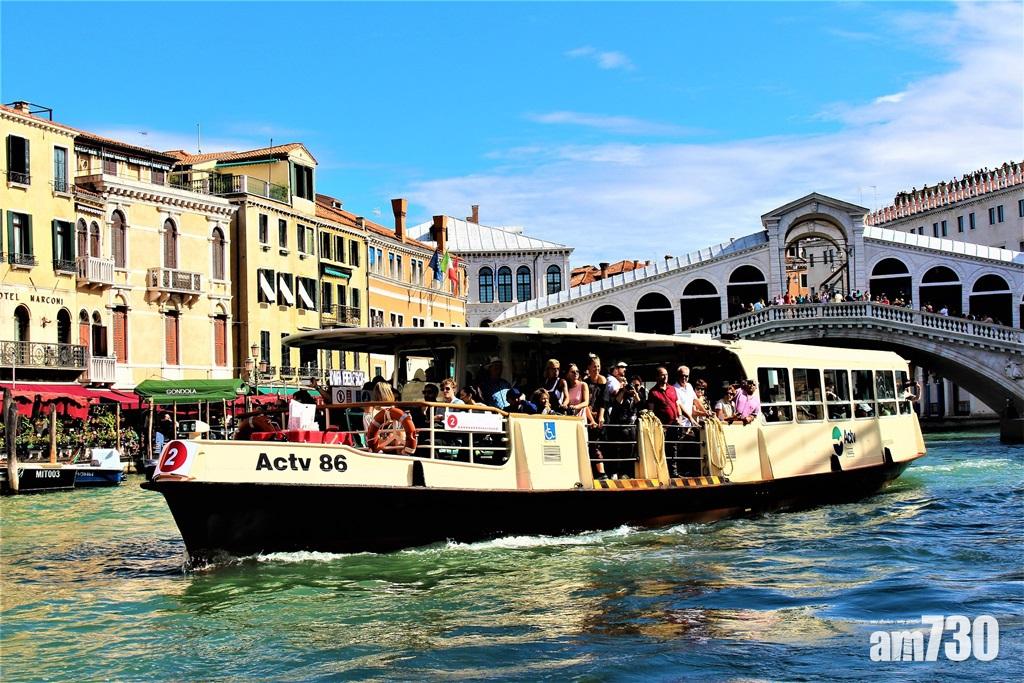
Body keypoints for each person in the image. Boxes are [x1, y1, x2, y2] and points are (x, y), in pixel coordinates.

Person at [647, 367, 681, 476]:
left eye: (666, 374)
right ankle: (662, 472)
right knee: (662, 449)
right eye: (662, 374)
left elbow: (677, 404)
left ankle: (674, 472)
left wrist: (679, 416)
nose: (665, 376)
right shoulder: (653, 392)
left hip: (674, 424)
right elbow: (651, 411)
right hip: (662, 427)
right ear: (657, 377)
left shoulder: (672, 389)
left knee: (673, 448)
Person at [584, 354, 610, 428]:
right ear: (589, 367)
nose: (597, 369)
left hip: (601, 417)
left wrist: (601, 416)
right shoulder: (585, 382)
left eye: (598, 366)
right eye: (594, 366)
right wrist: (590, 414)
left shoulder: (603, 381)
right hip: (589, 416)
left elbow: (604, 401)